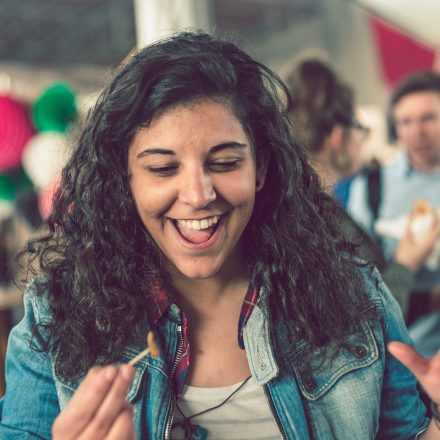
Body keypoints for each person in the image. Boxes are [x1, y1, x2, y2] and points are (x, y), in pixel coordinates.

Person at [1, 31, 440, 440]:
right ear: (124, 178)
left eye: (226, 162)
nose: (198, 196)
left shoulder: (356, 292)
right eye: (162, 168)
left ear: (261, 168)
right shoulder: (55, 318)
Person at [284, 58, 439, 320]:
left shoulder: (301, 207)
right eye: (359, 128)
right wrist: (406, 262)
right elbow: (360, 316)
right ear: (337, 136)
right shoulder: (320, 216)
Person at [348, 70, 440, 356]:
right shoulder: (373, 185)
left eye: (428, 118)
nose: (417, 131)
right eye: (405, 121)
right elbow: (357, 277)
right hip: (409, 351)